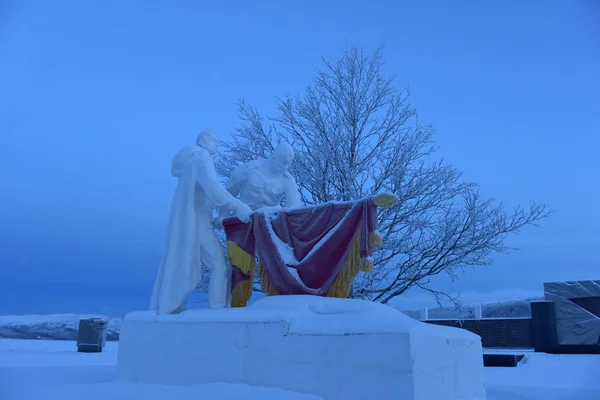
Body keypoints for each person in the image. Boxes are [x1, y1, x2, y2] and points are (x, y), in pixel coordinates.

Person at [149, 131, 252, 314]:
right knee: (219, 266)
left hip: (196, 221)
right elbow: (212, 187)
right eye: (214, 140)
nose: (217, 144)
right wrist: (238, 206)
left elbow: (207, 193)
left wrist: (221, 214)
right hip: (199, 223)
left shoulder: (192, 161)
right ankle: (216, 310)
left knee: (209, 265)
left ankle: (180, 305)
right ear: (203, 141)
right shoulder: (201, 157)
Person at [216, 142, 301, 226]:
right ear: (274, 156)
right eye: (283, 162)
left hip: (270, 225)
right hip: (244, 221)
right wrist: (223, 216)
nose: (285, 167)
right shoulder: (250, 169)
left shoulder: (288, 180)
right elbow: (230, 191)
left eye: (288, 164)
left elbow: (293, 210)